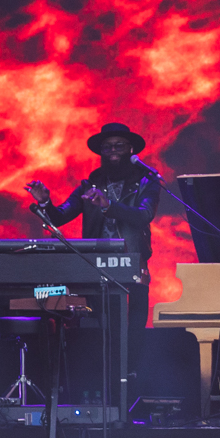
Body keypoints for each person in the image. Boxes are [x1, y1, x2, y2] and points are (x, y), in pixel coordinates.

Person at [25, 122, 161, 360]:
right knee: (104, 326)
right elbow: (60, 216)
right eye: (107, 147)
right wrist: (45, 202)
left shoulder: (146, 182)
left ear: (130, 149)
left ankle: (131, 373)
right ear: (101, 153)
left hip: (133, 260)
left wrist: (108, 205)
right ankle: (106, 375)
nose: (113, 150)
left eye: (119, 145)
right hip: (98, 265)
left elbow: (143, 215)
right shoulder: (89, 186)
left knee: (135, 325)